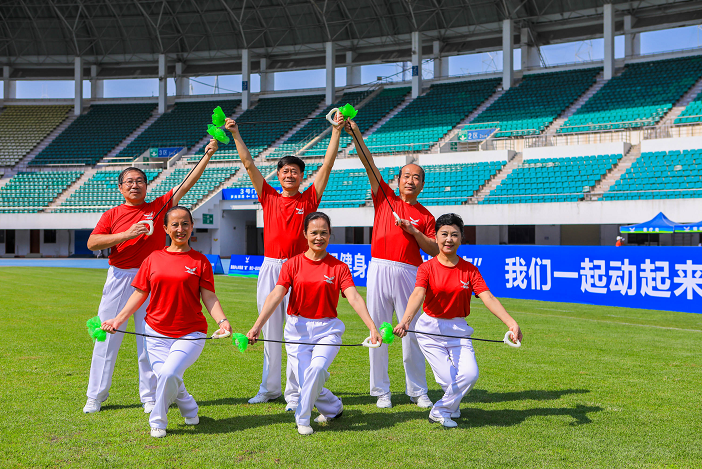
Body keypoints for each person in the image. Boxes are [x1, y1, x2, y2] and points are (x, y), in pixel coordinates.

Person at [83, 139, 219, 414]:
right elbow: (92, 243)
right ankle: (95, 395)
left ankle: (150, 396)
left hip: (154, 279)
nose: (135, 185)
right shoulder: (112, 214)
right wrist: (126, 234)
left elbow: (186, 184)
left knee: (150, 341)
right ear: (121, 188)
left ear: (147, 186)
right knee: (107, 337)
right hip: (121, 278)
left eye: (140, 181)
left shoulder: (158, 206)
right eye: (129, 182)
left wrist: (207, 155)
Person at [225, 113, 344, 409]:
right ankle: (269, 388)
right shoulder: (268, 197)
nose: (289, 175)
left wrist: (335, 132)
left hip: (300, 270)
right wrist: (236, 134)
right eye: (285, 171)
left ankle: (294, 393)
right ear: (278, 175)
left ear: (302, 176)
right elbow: (248, 164)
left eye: (295, 171)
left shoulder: (309, 200)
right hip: (271, 267)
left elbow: (327, 166)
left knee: (296, 331)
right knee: (270, 331)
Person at [101, 206, 232, 438]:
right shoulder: (153, 259)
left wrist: (222, 321)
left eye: (185, 224)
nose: (180, 229)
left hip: (191, 333)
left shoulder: (200, 261)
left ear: (192, 227)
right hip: (155, 333)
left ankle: (158, 421)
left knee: (169, 373)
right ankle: (189, 407)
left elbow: (209, 296)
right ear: (165, 229)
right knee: (167, 375)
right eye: (175, 225)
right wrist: (118, 319)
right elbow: (139, 293)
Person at [246, 212, 382, 435]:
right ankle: (334, 407)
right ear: (305, 234)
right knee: (308, 381)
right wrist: (257, 326)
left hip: (328, 330)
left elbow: (354, 297)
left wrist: (372, 327)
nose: (319, 237)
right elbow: (276, 295)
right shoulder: (292, 264)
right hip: (296, 331)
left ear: (330, 234)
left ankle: (302, 419)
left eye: (324, 233)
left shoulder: (339, 267)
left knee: (316, 370)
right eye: (314, 233)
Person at [394, 213, 523, 428]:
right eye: (444, 234)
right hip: (430, 330)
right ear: (436, 237)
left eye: (454, 235)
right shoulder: (427, 268)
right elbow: (418, 294)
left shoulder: (470, 270)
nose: (449, 239)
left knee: (470, 375)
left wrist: (512, 323)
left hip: (459, 330)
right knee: (448, 380)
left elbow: (488, 297)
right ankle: (447, 408)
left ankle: (441, 409)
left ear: (461, 238)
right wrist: (406, 321)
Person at [345, 119, 439, 409]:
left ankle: (417, 390)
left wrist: (414, 232)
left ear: (422, 185)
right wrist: (356, 134)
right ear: (397, 180)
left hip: (409, 272)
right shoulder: (384, 197)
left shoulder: (426, 216)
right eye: (406, 176)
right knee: (378, 329)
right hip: (379, 268)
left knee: (412, 331)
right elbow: (369, 163)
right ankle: (381, 391)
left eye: (416, 178)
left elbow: (434, 248)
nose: (410, 181)